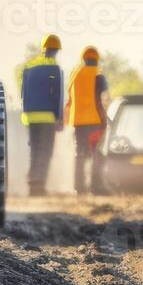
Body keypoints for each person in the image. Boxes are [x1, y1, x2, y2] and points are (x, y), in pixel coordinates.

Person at [20, 34, 64, 197]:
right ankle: (39, 186)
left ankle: (32, 185)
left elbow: (23, 92)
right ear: (57, 51)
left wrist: (26, 111)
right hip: (46, 116)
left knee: (35, 150)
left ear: (43, 48)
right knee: (45, 151)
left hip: (30, 116)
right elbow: (57, 95)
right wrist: (59, 117)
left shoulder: (30, 66)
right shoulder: (54, 68)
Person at [63, 46, 108, 196]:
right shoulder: (98, 75)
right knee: (96, 152)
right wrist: (105, 119)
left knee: (80, 153)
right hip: (95, 120)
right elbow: (104, 99)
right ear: (96, 59)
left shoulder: (75, 75)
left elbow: (69, 99)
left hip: (78, 121)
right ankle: (96, 186)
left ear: (83, 59)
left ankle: (79, 188)